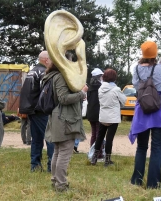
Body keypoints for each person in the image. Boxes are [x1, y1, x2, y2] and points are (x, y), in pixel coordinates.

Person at [129, 41, 161, 189]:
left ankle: (136, 181)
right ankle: (153, 184)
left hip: (142, 110)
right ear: (155, 53)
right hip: (159, 110)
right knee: (156, 148)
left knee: (141, 147)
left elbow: (136, 87)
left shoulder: (135, 68)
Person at [44, 55, 88, 192]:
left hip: (57, 117)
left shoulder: (51, 76)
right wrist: (82, 93)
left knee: (57, 152)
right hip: (65, 119)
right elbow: (63, 98)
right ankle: (61, 186)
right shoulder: (61, 76)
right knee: (64, 153)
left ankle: (55, 181)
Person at [19, 51, 54, 172]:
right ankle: (51, 166)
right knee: (50, 137)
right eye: (52, 59)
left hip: (31, 109)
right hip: (41, 110)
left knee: (36, 139)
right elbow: (47, 92)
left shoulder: (32, 71)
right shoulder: (44, 72)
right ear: (46, 60)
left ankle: (35, 165)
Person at [90, 69, 126, 167]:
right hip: (113, 117)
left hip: (103, 116)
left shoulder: (100, 89)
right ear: (114, 78)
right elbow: (123, 101)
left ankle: (94, 158)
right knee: (109, 139)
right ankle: (107, 160)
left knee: (99, 137)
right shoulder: (116, 89)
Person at [87, 68, 103, 146]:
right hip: (98, 113)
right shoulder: (101, 87)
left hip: (90, 112)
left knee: (94, 133)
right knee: (98, 133)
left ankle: (92, 150)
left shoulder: (89, 87)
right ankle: (98, 152)